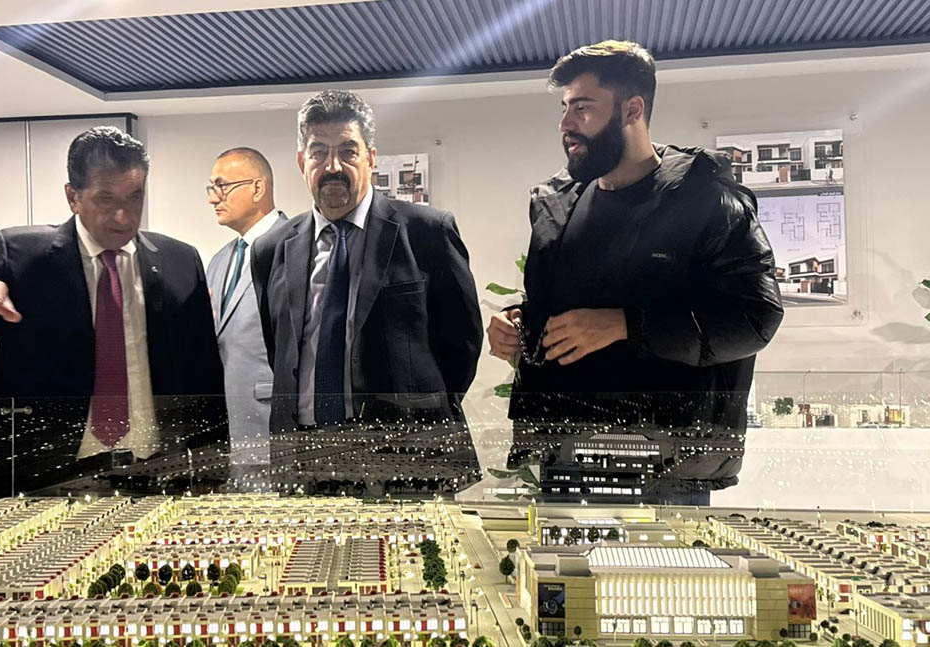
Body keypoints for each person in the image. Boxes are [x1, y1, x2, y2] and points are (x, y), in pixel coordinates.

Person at [485, 41, 784, 499]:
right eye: (565, 108)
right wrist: (519, 326)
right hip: (565, 458)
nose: (566, 124)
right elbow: (559, 307)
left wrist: (627, 325)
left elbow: (754, 318)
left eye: (583, 107)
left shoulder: (707, 199)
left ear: (632, 109)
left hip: (664, 471)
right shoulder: (556, 204)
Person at [0, 126, 227, 500]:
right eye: (105, 199)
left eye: (135, 197)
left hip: (155, 475)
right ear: (73, 196)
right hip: (39, 478)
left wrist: (214, 468)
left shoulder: (180, 261)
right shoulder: (21, 257)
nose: (123, 216)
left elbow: (205, 375)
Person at [252, 90, 483, 432]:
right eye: (319, 152)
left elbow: (462, 346)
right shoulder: (270, 248)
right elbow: (280, 352)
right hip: (301, 444)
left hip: (404, 444)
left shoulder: (428, 232)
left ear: (371, 158)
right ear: (302, 163)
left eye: (348, 151)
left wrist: (423, 419)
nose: (333, 167)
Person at [204, 147, 288, 469]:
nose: (213, 198)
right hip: (224, 432)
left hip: (276, 427)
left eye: (222, 186)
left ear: (257, 188)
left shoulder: (296, 249)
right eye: (211, 188)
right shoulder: (219, 261)